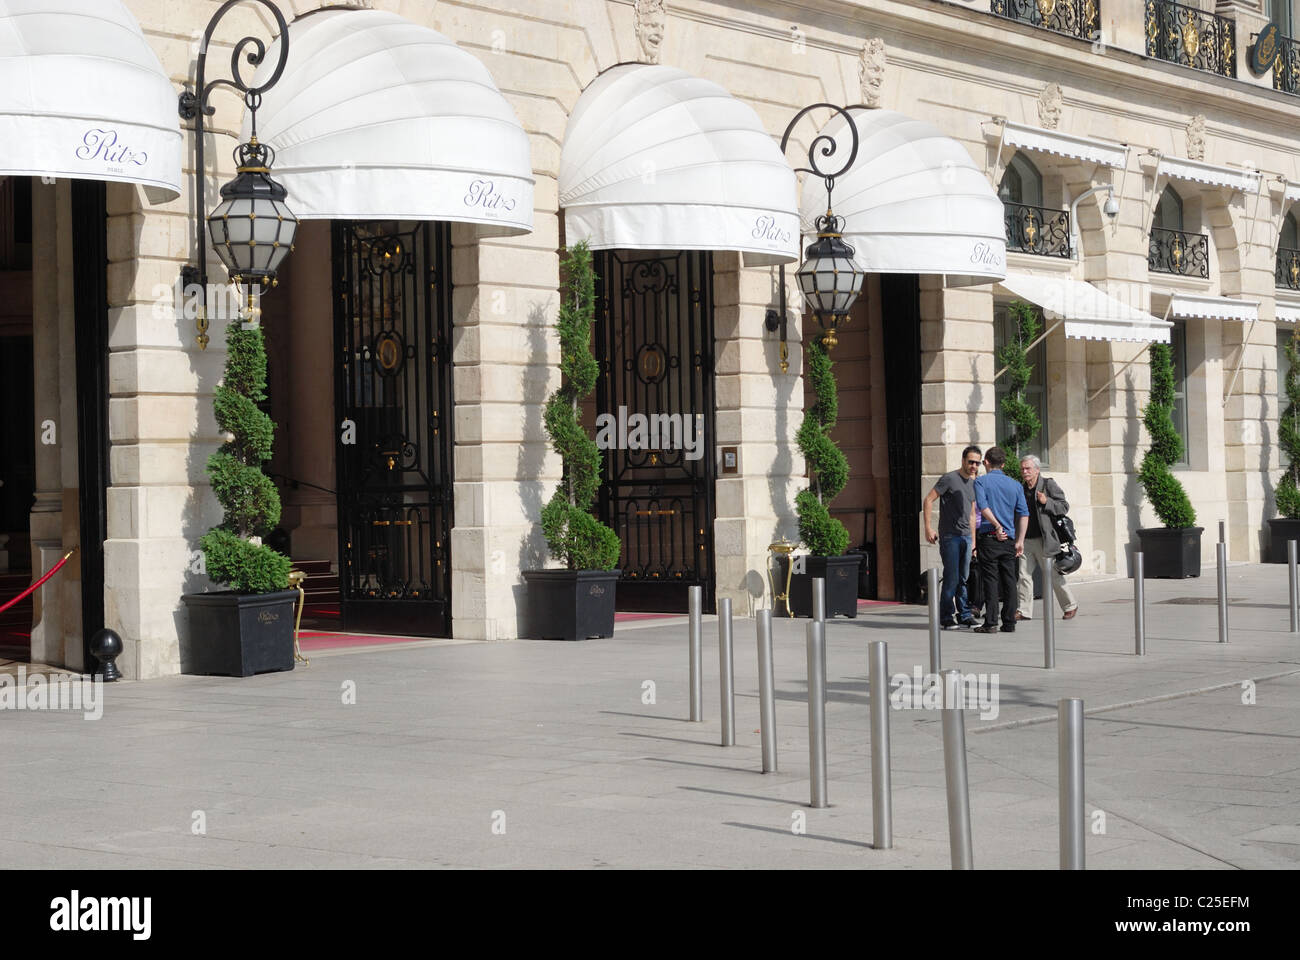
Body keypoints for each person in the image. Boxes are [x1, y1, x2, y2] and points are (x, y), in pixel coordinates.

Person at [970, 446, 1028, 634]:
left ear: (986, 462)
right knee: (1010, 580)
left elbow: (983, 506)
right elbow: (1023, 514)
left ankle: (991, 621)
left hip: (989, 536)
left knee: (990, 580)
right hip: (1010, 540)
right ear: (1003, 464)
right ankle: (1009, 621)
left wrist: (996, 525)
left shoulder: (980, 482)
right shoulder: (1016, 485)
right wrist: (1020, 540)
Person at [923, 445, 982, 629]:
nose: (973, 466)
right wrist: (928, 528)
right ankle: (946, 616)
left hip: (965, 537)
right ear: (963, 460)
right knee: (952, 577)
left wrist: (973, 541)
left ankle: (964, 614)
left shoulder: (974, 483)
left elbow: (972, 514)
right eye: (971, 462)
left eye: (977, 463)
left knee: (963, 577)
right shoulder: (949, 478)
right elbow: (928, 500)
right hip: (950, 536)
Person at [1016, 454, 1079, 621]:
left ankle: (1070, 605)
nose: (1025, 471)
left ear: (1037, 470)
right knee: (1024, 576)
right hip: (1026, 540)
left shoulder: (1048, 484)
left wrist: (1047, 501)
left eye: (1028, 468)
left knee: (1053, 575)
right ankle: (1024, 611)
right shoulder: (1020, 489)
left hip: (1046, 540)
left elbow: (1063, 506)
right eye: (1022, 468)